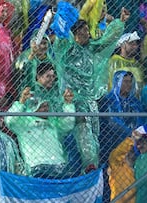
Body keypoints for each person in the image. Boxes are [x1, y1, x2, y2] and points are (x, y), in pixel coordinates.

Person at [53, 8, 130, 172]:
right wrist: (61, 25)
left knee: (94, 135)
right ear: (75, 34)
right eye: (83, 31)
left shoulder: (92, 48)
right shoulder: (67, 50)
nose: (87, 33)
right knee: (83, 128)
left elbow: (108, 41)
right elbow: (60, 43)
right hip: (73, 100)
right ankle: (89, 165)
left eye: (88, 30)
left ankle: (90, 168)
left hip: (90, 100)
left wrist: (120, 22)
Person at [5, 87, 75, 178]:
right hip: (36, 165)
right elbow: (10, 120)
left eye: (47, 106)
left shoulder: (53, 122)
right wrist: (21, 102)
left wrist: (68, 104)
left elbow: (68, 123)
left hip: (59, 164)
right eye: (42, 106)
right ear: (34, 107)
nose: (46, 109)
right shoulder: (24, 122)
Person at [99, 71, 144, 164]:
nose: (129, 84)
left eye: (130, 81)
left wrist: (136, 133)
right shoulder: (109, 99)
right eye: (125, 81)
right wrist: (129, 133)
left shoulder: (134, 101)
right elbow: (112, 122)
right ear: (118, 83)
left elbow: (140, 119)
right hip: (111, 140)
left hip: (133, 140)